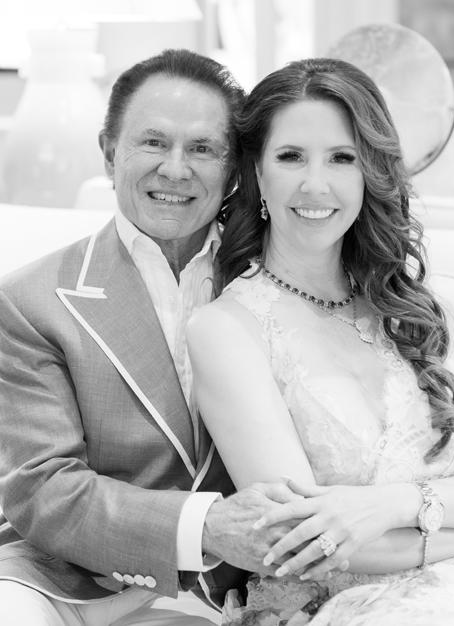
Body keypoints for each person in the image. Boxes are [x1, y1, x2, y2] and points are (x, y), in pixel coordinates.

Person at [0, 49, 300, 626]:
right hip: (70, 581)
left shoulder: (281, 279)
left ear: (234, 169)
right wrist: (203, 526)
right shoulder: (29, 300)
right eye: (154, 142)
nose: (176, 169)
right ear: (110, 152)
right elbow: (43, 490)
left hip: (244, 588)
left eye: (203, 149)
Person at [186, 57, 454, 625]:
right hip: (346, 606)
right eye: (291, 156)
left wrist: (394, 505)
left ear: (369, 172)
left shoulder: (412, 306)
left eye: (341, 158)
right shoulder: (226, 329)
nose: (315, 184)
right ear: (256, 172)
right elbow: (303, 538)